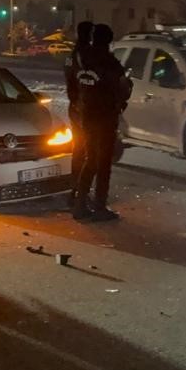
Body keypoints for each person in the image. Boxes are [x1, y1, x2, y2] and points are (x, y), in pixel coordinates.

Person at [72, 23, 127, 221]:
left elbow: (76, 85)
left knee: (90, 160)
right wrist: (120, 102)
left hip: (87, 116)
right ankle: (99, 206)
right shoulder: (109, 62)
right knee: (103, 163)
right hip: (104, 117)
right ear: (109, 40)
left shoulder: (83, 58)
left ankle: (80, 204)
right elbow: (121, 87)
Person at [65, 20, 95, 190]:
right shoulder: (87, 55)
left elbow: (70, 81)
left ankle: (75, 191)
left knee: (79, 151)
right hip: (86, 109)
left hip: (76, 107)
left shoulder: (72, 55)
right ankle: (81, 194)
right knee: (89, 153)